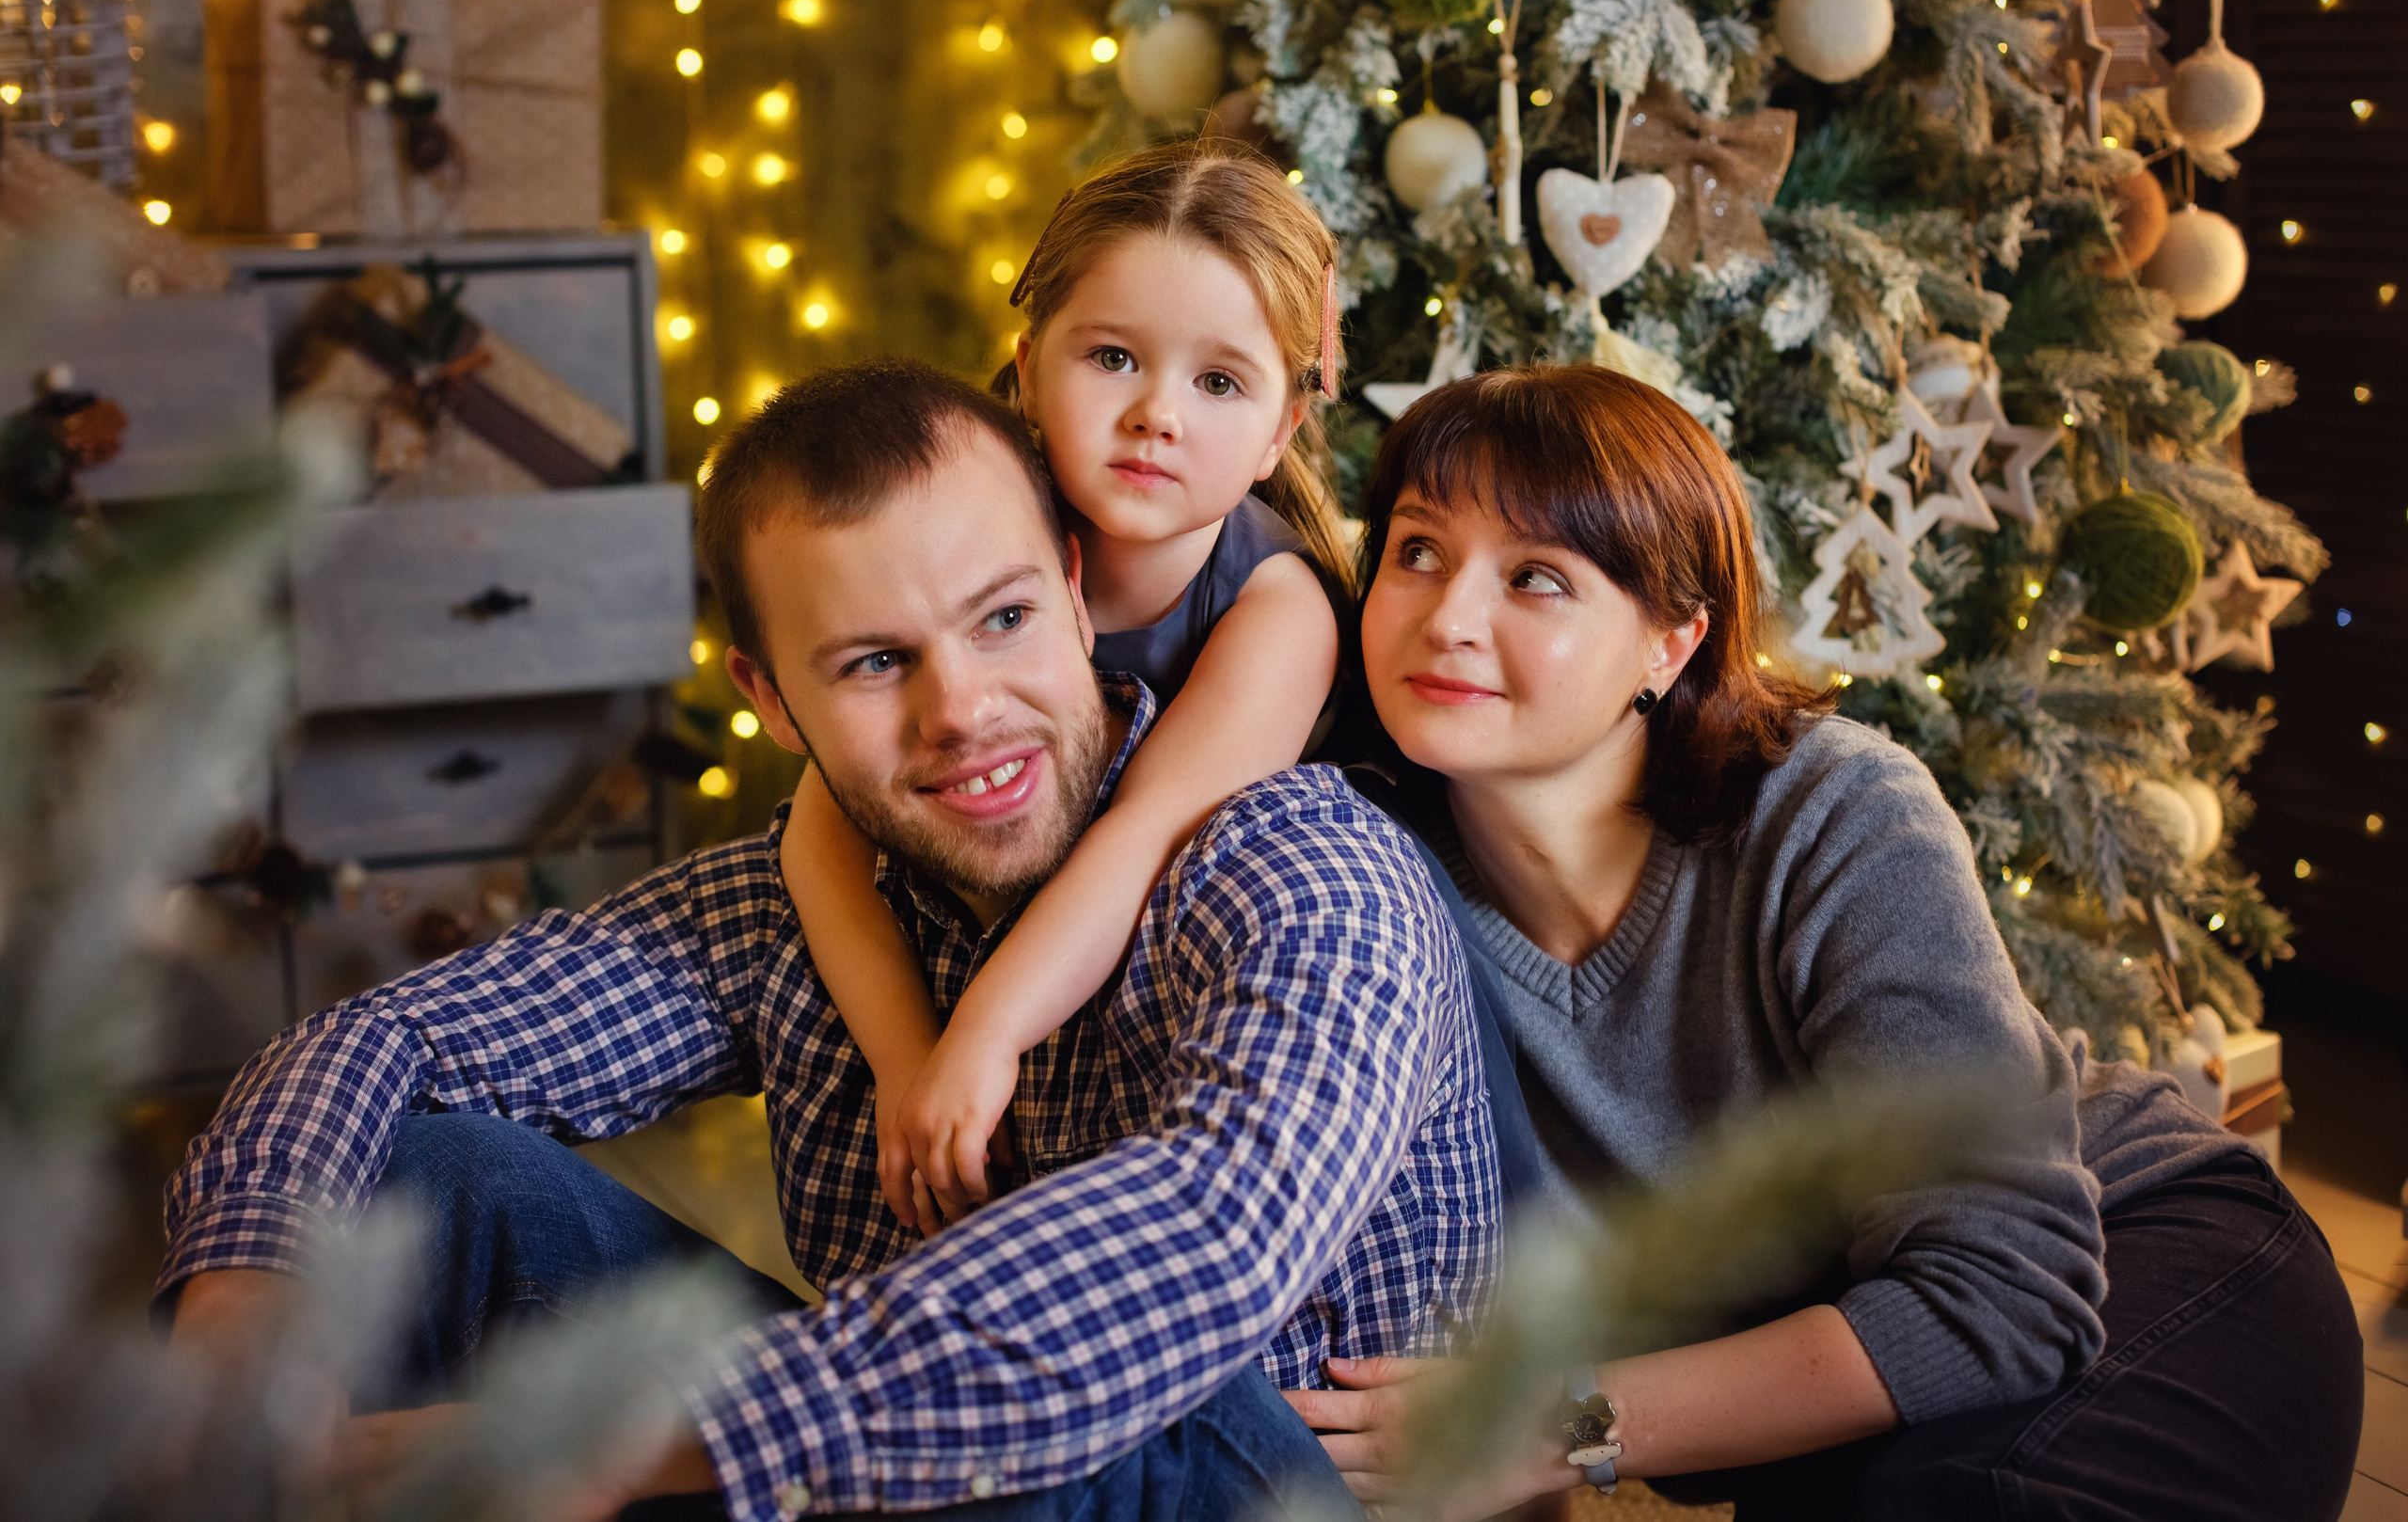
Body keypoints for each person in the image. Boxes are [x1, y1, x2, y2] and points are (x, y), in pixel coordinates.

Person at [155, 357, 1503, 1517]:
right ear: (772, 698)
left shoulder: (1305, 873)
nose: (960, 711)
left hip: (1249, 1482)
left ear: (1074, 587)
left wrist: (599, 1439)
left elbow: (1204, 1244)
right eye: (872, 662)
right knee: (419, 1176)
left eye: (1004, 618)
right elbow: (397, 1034)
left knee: (1125, 1378)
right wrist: (238, 1308)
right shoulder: (808, 895)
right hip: (891, 1472)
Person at [1285, 364, 2362, 1521]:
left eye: (1536, 576)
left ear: (1669, 644)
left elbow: (2001, 1295)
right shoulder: (1359, 875)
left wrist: (1558, 1427)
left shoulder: (1833, 809)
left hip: (2135, 1255)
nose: (1446, 617)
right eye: (1416, 551)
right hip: (1845, 1387)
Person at [778, 140, 1357, 1233]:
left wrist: (985, 1035)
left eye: (1218, 382)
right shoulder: (980, 537)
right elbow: (820, 828)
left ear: (1280, 431)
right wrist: (908, 1060)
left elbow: (1143, 840)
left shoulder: (1280, 611)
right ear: (1030, 365)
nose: (1156, 415)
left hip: (1201, 997)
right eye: (1112, 358)